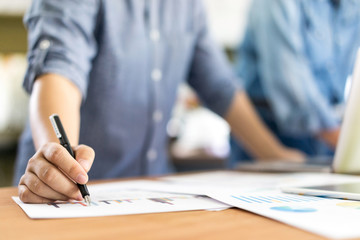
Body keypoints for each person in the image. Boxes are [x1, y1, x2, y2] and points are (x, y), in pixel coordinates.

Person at [14, 0, 303, 203]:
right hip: (72, 193)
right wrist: (58, 165)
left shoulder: (188, 5)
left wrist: (275, 155)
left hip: (150, 194)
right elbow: (60, 72)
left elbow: (219, 87)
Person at [229, 0, 360, 167]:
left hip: (330, 132)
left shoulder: (352, 6)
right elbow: (289, 80)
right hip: (271, 130)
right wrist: (345, 140)